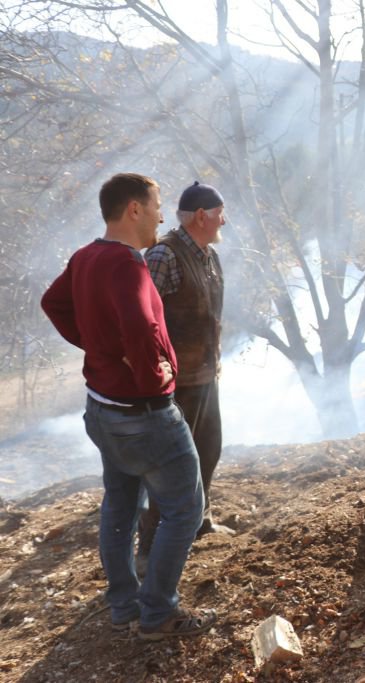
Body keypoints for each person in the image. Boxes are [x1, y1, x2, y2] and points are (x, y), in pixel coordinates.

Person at [40, 173, 216, 640]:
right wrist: (153, 379)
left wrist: (97, 348)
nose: (162, 215)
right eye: (157, 205)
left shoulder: (85, 257)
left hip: (102, 408)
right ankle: (158, 614)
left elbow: (52, 303)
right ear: (133, 209)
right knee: (186, 510)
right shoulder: (126, 265)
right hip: (145, 412)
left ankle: (124, 605)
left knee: (120, 505)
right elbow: (140, 327)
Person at [139, 181, 228, 556]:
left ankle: (198, 521)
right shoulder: (164, 255)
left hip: (205, 376)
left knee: (208, 450)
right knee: (171, 464)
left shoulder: (209, 255)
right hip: (174, 382)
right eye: (221, 214)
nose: (225, 221)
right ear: (203, 216)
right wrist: (157, 369)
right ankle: (151, 544)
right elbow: (143, 319)